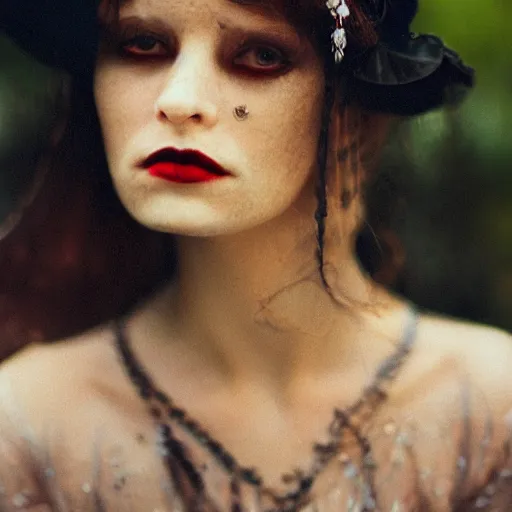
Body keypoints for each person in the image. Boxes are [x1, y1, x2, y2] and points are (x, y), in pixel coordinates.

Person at [0, 0, 511, 510]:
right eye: (143, 45)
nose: (179, 101)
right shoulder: (26, 424)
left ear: (353, 107)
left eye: (262, 55)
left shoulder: (490, 410)